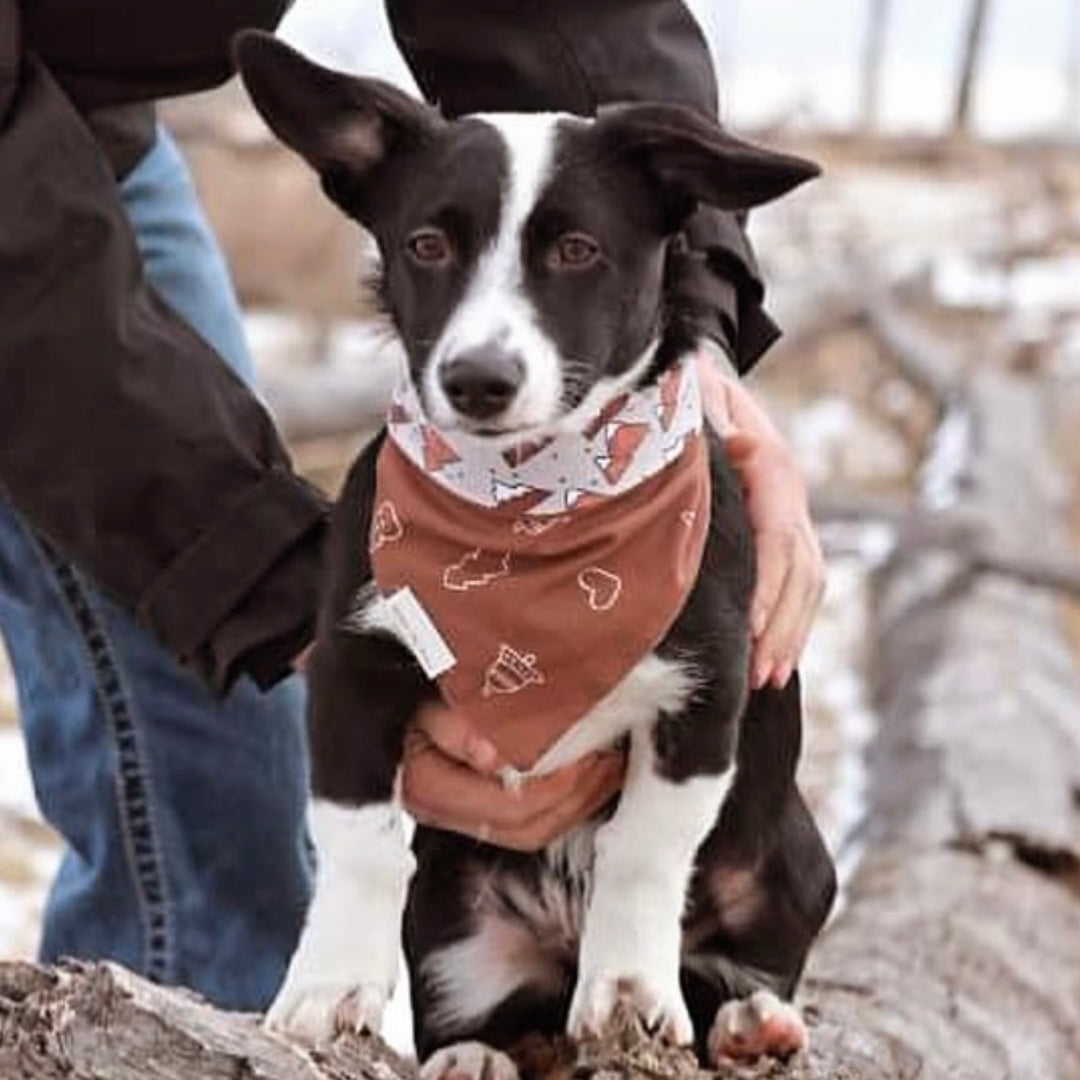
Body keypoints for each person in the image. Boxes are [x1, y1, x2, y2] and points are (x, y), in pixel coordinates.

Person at [0, 0, 823, 1011]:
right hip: (20, 209)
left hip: (96, 122)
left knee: (238, 735)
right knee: (202, 733)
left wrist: (693, 332)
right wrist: (276, 592)